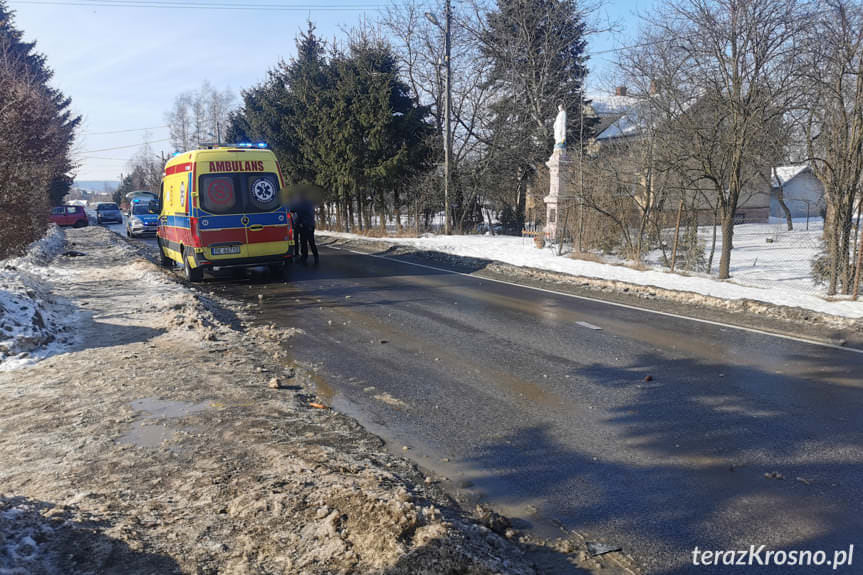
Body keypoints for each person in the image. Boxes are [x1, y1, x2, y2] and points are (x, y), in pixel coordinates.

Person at [290, 192, 318, 265]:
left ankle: (304, 257)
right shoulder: (309, 203)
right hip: (311, 224)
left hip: (305, 225)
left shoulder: (300, 204)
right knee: (311, 241)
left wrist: (292, 202)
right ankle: (316, 256)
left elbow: (292, 209)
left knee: (304, 242)